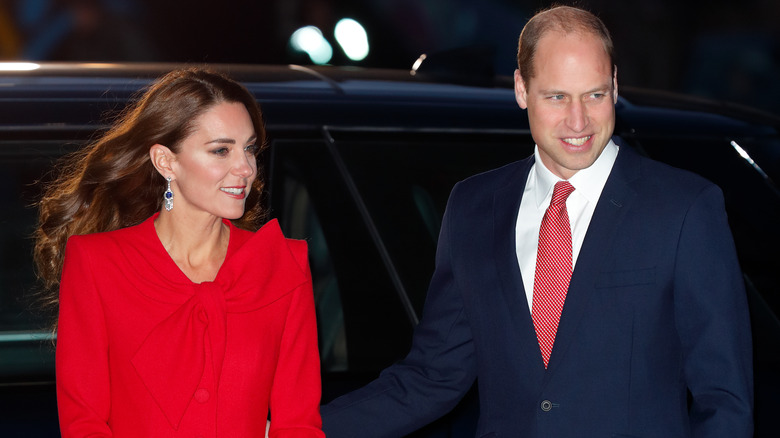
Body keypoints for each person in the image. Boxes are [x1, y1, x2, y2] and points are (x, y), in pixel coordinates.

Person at [320, 5, 753, 438]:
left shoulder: (684, 208)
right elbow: (432, 376)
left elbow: (725, 401)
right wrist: (290, 429)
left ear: (615, 86)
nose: (579, 121)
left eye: (595, 95)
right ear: (521, 89)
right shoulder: (474, 207)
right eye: (557, 97)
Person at [34, 68, 325, 437]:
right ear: (165, 161)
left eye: (250, 148)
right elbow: (84, 423)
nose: (246, 168)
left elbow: (298, 424)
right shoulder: (97, 263)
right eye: (221, 150)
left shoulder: (279, 265)